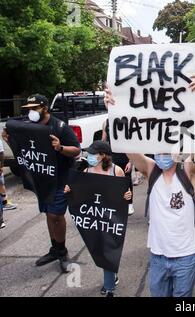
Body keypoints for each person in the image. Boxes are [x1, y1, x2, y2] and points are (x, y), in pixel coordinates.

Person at [104, 76, 195, 297]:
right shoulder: (152, 170)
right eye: (157, 149)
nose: (162, 154)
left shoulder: (189, 171)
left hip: (185, 257)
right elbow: (126, 143)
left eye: (166, 149)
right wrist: (113, 109)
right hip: (157, 256)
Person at [2, 94, 81, 272]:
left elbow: (76, 150)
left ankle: (62, 251)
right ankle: (55, 248)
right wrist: (9, 139)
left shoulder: (60, 127)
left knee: (56, 215)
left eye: (34, 108)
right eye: (29, 109)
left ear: (45, 108)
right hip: (42, 179)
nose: (31, 112)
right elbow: (22, 146)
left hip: (61, 179)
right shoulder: (30, 127)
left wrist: (60, 148)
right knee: (47, 213)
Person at [64, 141, 132, 297]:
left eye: (93, 154)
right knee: (100, 250)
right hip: (95, 218)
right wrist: (69, 191)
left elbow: (123, 193)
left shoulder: (117, 171)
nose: (90, 156)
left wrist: (127, 196)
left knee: (109, 249)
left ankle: (109, 287)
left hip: (111, 219)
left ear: (103, 155)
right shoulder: (87, 171)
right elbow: (81, 194)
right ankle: (112, 275)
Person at [102, 104, 134, 216]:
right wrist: (102, 155)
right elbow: (103, 141)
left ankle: (129, 203)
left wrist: (131, 161)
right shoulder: (106, 122)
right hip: (112, 156)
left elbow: (132, 141)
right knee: (112, 180)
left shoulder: (127, 121)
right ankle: (115, 203)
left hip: (125, 155)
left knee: (126, 180)